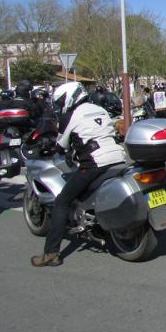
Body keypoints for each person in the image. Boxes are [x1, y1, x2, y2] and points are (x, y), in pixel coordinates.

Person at [30, 82, 127, 267]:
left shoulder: (70, 116)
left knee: (62, 202)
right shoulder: (100, 109)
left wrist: (48, 146)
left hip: (94, 163)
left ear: (70, 98)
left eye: (60, 101)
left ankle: (51, 254)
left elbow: (60, 145)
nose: (60, 105)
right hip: (118, 157)